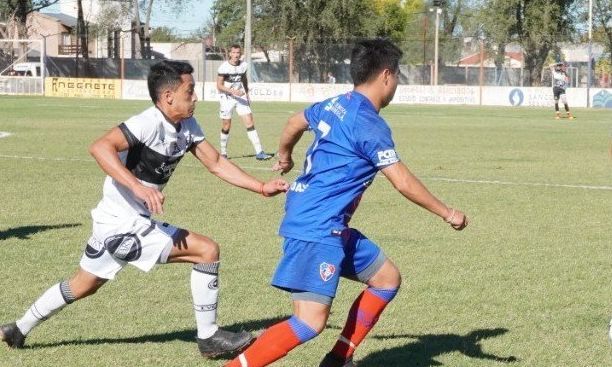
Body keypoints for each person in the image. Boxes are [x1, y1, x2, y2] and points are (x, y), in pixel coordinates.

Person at [0, 60, 288, 357]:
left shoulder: (187, 125)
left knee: (83, 284)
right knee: (207, 251)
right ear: (168, 97)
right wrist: (137, 187)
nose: (196, 98)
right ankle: (209, 337)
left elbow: (215, 163)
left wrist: (261, 186)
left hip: (112, 222)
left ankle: (18, 328)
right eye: (190, 92)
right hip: (123, 224)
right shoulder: (147, 122)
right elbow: (100, 147)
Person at [225, 38, 468, 367]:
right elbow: (402, 181)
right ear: (386, 75)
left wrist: (285, 155)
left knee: (386, 279)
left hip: (324, 221)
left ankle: (339, 359)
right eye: (397, 75)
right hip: (318, 227)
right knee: (309, 322)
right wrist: (447, 212)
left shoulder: (336, 103)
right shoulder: (369, 124)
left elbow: (295, 121)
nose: (396, 83)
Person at [217, 44, 272, 160]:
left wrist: (246, 93)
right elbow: (219, 85)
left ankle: (259, 152)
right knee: (226, 125)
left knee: (250, 122)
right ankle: (223, 153)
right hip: (226, 98)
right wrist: (232, 91)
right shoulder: (223, 67)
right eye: (234, 53)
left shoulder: (244, 65)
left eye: (238, 53)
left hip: (240, 97)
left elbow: (244, 79)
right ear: (230, 54)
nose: (236, 55)